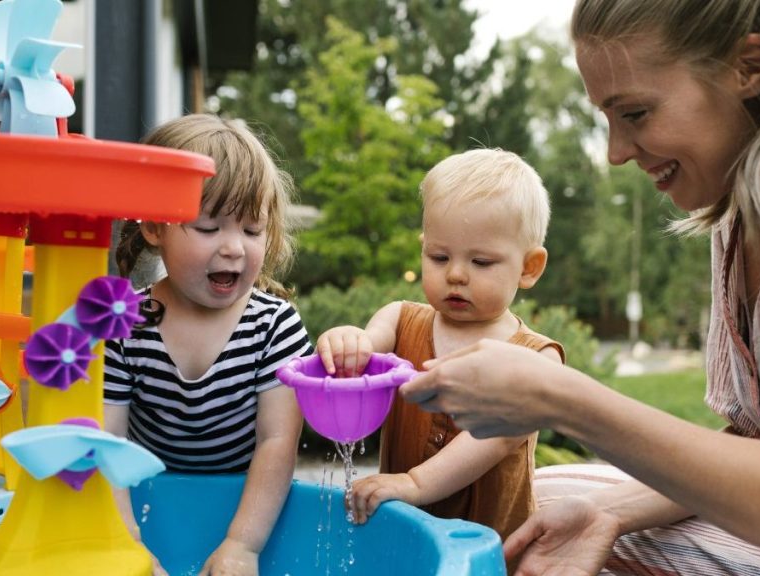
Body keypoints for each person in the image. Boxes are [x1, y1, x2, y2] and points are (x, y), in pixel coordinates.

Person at [399, 1, 760, 574]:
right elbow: (757, 444)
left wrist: (561, 398)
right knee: (546, 509)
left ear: (749, 68)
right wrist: (613, 512)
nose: (614, 153)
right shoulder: (739, 209)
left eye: (634, 112)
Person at [315, 149, 566, 547]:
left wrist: (415, 483)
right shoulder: (399, 320)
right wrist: (346, 341)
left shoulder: (536, 358)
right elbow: (362, 352)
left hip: (490, 551)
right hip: (402, 538)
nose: (455, 274)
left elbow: (495, 436)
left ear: (529, 267)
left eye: (481, 262)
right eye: (439, 256)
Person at [103, 114, 313, 576]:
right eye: (208, 227)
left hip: (247, 513)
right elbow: (106, 442)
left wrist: (242, 545)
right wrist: (126, 544)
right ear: (155, 227)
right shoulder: (125, 325)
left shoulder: (274, 327)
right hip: (146, 511)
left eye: (252, 230)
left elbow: (278, 442)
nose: (234, 247)